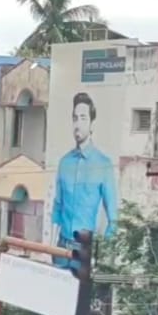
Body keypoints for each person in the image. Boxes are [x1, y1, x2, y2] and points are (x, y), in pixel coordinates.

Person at [51, 91, 117, 249]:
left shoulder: (104, 164)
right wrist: (51, 246)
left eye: (83, 118)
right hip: (61, 247)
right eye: (75, 118)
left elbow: (113, 218)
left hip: (84, 249)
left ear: (92, 124)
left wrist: (100, 254)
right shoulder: (64, 163)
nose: (77, 124)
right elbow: (58, 206)